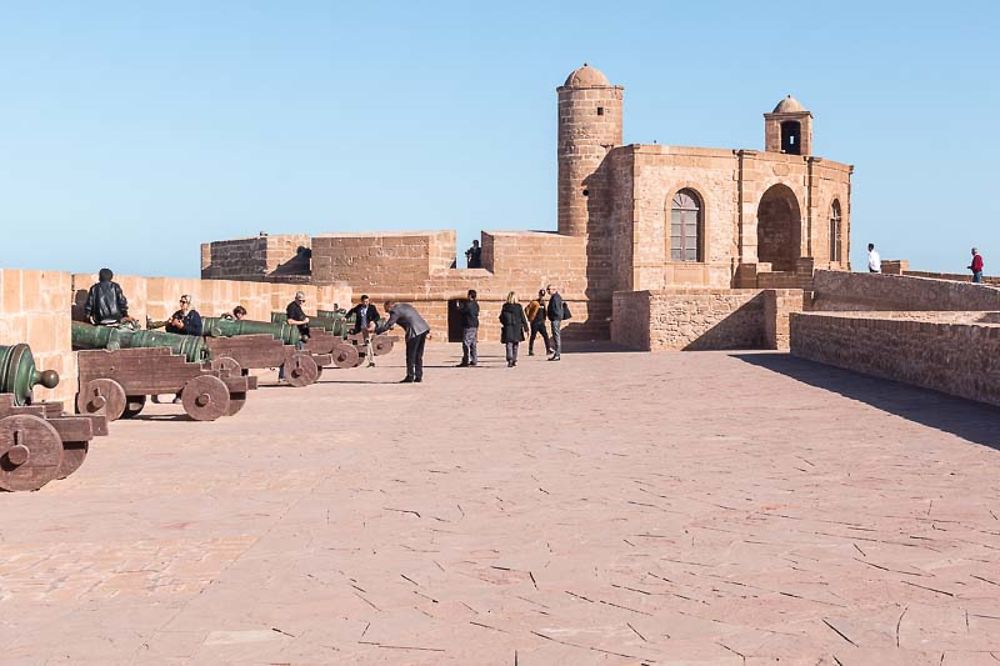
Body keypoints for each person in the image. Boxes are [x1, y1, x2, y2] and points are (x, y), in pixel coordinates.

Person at [376, 301, 430, 383]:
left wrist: (376, 331)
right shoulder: (405, 306)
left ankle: (410, 376)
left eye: (386, 309)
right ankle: (418, 376)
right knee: (418, 355)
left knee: (410, 355)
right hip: (423, 329)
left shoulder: (395, 311)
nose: (386, 311)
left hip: (414, 332)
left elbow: (389, 324)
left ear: (389, 307)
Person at [279, 291, 310, 382]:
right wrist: (303, 322)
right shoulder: (292, 307)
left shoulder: (297, 307)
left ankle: (289, 375)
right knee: (292, 355)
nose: (301, 302)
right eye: (300, 300)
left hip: (298, 335)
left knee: (296, 355)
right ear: (296, 298)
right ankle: (284, 375)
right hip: (294, 335)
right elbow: (290, 321)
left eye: (303, 301)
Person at [347, 295, 381, 367]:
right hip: (363, 328)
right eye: (365, 301)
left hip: (370, 327)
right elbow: (352, 311)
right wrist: (345, 317)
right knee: (368, 343)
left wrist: (373, 321)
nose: (366, 303)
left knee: (368, 342)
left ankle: (372, 361)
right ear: (362, 301)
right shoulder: (359, 307)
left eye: (367, 301)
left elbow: (378, 316)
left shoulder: (372, 307)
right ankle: (371, 361)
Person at [499, 291, 530, 368]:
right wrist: (526, 328)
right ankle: (514, 359)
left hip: (508, 327)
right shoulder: (518, 307)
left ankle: (509, 359)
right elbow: (523, 318)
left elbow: (501, 317)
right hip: (517, 328)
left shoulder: (505, 306)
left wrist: (505, 323)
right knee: (515, 344)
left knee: (509, 344)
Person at [455, 289, 480, 367]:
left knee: (466, 343)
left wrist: (458, 307)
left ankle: (466, 360)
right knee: (473, 343)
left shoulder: (468, 304)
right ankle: (474, 359)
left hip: (468, 325)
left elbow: (462, 311)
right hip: (475, 324)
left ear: (469, 295)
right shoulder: (476, 304)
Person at [524, 289, 551, 356]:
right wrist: (530, 318)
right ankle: (530, 350)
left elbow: (544, 312)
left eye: (543, 295)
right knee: (533, 336)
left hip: (541, 322)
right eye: (541, 295)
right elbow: (526, 309)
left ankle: (548, 350)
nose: (541, 296)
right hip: (535, 322)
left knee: (546, 336)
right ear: (539, 294)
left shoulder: (543, 303)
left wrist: (544, 319)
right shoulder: (534, 302)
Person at [546, 284, 564, 361]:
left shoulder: (555, 297)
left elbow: (557, 309)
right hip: (555, 319)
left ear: (554, 289)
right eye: (548, 289)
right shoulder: (555, 297)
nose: (548, 291)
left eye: (550, 289)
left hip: (555, 319)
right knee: (556, 336)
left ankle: (557, 354)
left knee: (556, 336)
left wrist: (554, 317)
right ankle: (556, 354)